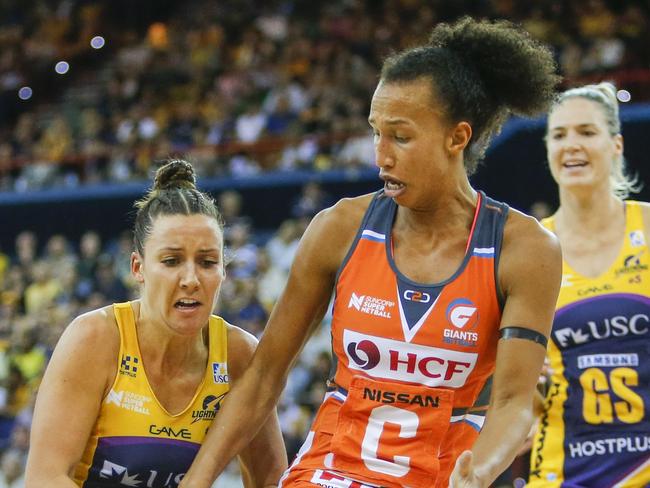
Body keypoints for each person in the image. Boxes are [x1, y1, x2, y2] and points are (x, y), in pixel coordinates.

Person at [182, 16, 562, 488]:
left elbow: (513, 403)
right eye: (375, 132)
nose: (380, 154)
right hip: (329, 472)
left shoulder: (523, 249)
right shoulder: (338, 228)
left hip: (444, 477)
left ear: (457, 138)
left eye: (400, 136)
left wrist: (477, 473)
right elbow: (262, 379)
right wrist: (194, 481)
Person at [24, 160, 287, 487]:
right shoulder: (95, 338)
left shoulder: (239, 355)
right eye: (171, 261)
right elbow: (44, 478)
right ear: (138, 268)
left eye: (207, 262)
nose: (191, 279)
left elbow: (271, 480)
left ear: (223, 270)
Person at [528, 83, 650, 487]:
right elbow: (512, 394)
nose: (571, 145)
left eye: (586, 132)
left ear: (615, 144)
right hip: (563, 472)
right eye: (559, 135)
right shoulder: (526, 249)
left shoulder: (648, 228)